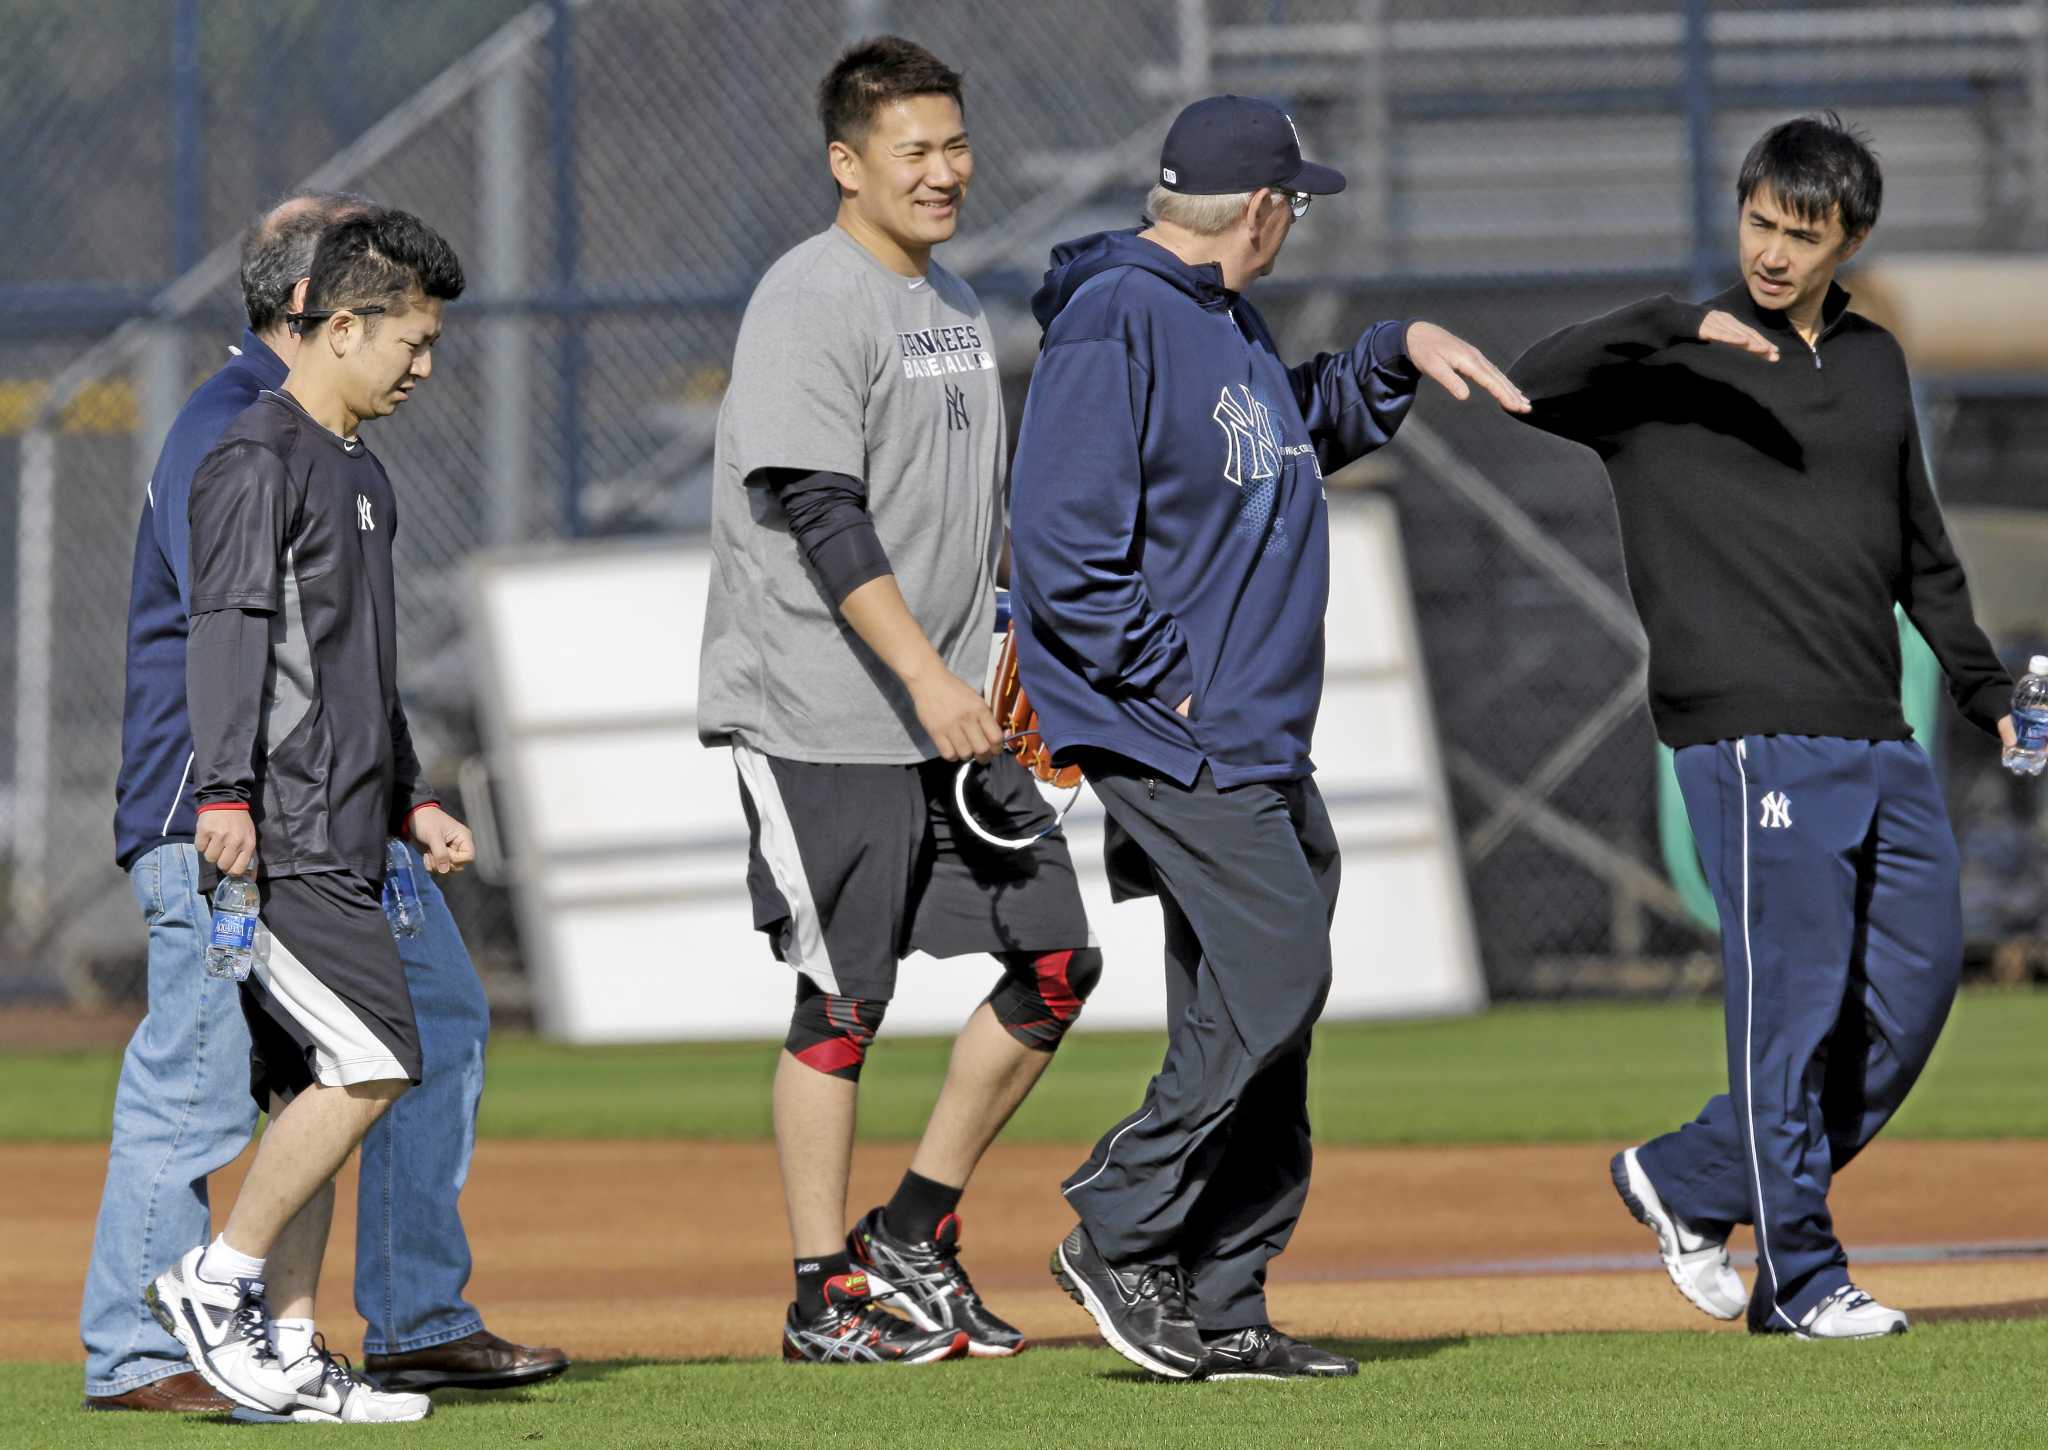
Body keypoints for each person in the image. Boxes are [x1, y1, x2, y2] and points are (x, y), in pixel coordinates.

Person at [1008, 94, 1528, 1381]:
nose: (1295, 219)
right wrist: (1163, 684)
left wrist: (1389, 353)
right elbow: (1062, 546)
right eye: (1293, 201)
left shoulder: (1212, 319)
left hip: (1249, 735)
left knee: (1254, 1006)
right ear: (1257, 210)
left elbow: (1275, 443)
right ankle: (1122, 1228)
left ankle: (1220, 1296)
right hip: (1179, 733)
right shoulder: (1116, 317)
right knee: (1279, 970)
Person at [1505, 113, 2016, 1340]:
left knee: (1910, 992)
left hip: (1876, 733)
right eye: (1758, 223)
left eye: (1802, 233)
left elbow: (1922, 559)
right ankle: (1797, 1278)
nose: (1774, 251)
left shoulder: (1877, 363)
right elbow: (1530, 383)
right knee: (1785, 1014)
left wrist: (1984, 695)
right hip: (1745, 737)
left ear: (1849, 238)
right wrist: (1670, 322)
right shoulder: (1667, 363)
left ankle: (1685, 1179)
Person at [90, 194, 566, 1416]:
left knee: (384, 1045)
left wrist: (405, 796)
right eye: (408, 327)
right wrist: (230, 798)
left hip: (342, 810)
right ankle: (157, 1342)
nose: (424, 359)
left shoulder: (349, 450)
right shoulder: (239, 435)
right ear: (324, 307)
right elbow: (237, 638)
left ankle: (356, 1328)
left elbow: (350, 653)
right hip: (237, 819)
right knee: (220, 1077)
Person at [698, 36, 1102, 1365]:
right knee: (842, 1002)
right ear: (847, 162)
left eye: (955, 144)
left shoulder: (955, 302)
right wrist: (928, 680)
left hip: (947, 716)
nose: (943, 171)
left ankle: (911, 1233)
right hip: (822, 715)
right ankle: (825, 1296)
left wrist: (1002, 654)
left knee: (1056, 959)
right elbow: (818, 506)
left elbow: (954, 521)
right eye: (912, 150)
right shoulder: (811, 297)